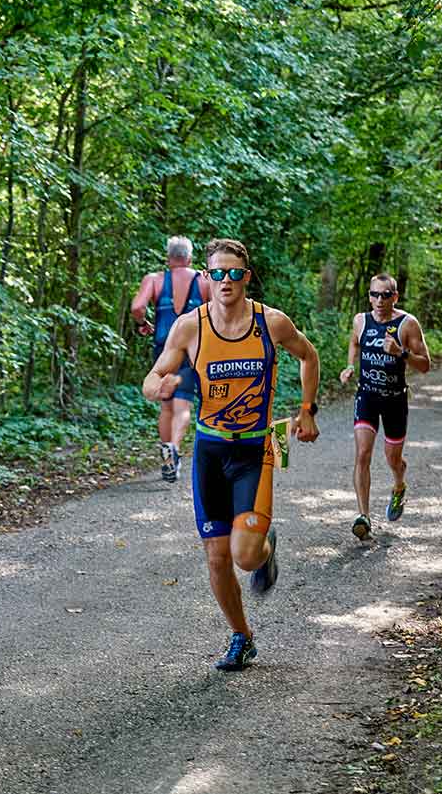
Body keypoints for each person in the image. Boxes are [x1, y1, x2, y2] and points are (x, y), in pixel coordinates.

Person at [142, 238, 320, 672]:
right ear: (206, 278)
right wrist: (156, 388)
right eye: (217, 273)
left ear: (247, 276)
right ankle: (241, 636)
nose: (225, 281)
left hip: (260, 444)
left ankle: (264, 545)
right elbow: (153, 376)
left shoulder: (271, 322)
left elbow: (309, 355)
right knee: (217, 557)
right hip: (209, 448)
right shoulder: (190, 326)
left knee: (244, 556)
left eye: (234, 273)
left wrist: (306, 411)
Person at [339, 274, 431, 540]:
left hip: (394, 400)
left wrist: (400, 353)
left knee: (393, 459)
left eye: (386, 295)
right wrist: (349, 366)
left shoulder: (407, 324)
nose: (380, 300)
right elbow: (355, 342)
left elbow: (426, 365)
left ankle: (399, 485)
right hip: (366, 396)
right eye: (375, 294)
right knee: (362, 453)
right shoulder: (360, 320)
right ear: (369, 296)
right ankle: (364, 517)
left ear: (395, 297)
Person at [131, 236, 210, 481]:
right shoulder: (204, 281)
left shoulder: (155, 280)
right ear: (189, 257)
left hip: (163, 350)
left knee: (166, 406)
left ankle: (167, 452)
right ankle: (173, 449)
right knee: (182, 405)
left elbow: (137, 307)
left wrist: (144, 323)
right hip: (191, 351)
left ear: (168, 257)